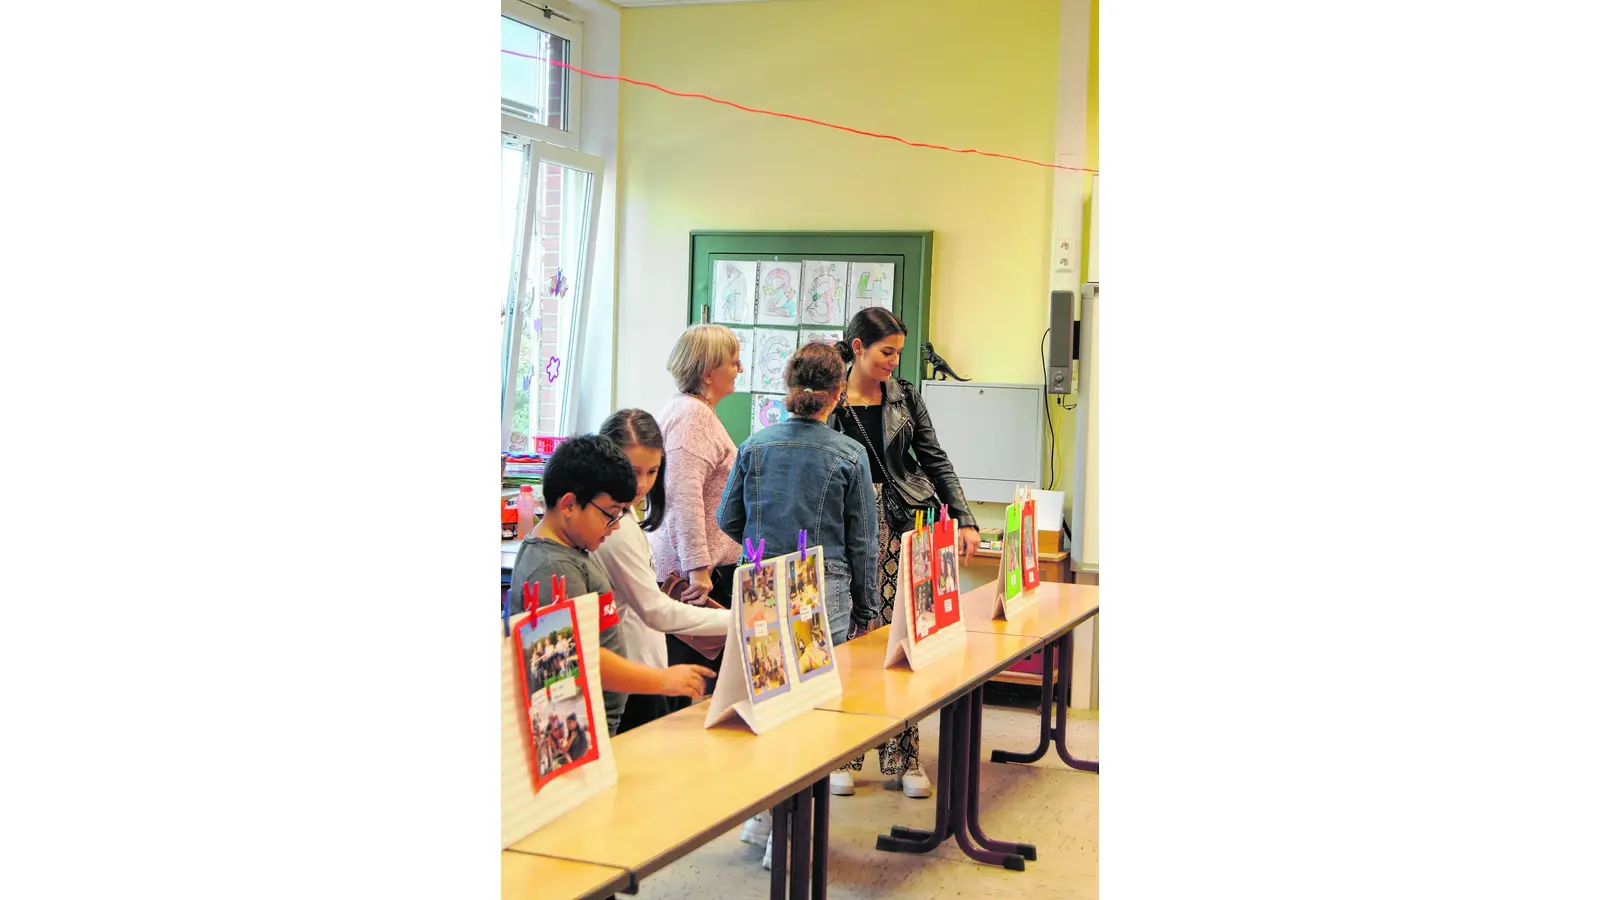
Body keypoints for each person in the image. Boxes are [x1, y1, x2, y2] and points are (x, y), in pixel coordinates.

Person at [717, 341, 879, 870]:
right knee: (810, 712)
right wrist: (867, 608)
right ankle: (787, 837)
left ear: (789, 390)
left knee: (769, 701)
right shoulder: (849, 455)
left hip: (762, 581)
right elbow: (862, 543)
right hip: (823, 590)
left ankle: (760, 818)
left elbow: (728, 520)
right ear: (836, 395)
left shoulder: (754, 446)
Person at [828, 307, 980, 800]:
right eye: (886, 352)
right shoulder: (827, 397)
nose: (895, 361)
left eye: (898, 351)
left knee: (902, 640)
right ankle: (842, 752)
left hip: (900, 525)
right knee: (851, 639)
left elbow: (934, 458)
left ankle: (903, 755)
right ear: (857, 348)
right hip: (844, 529)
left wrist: (964, 517)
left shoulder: (905, 395)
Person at [509, 434, 716, 737]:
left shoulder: (577, 550)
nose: (616, 525)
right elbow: (575, 657)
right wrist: (662, 680)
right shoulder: (553, 568)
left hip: (601, 728)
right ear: (569, 504)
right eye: (610, 513)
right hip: (577, 734)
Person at [593, 409, 733, 734]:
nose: (641, 484)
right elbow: (656, 611)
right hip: (632, 676)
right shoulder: (615, 528)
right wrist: (736, 619)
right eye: (632, 470)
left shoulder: (623, 517)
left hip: (641, 668)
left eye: (652, 471)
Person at [649, 324, 747, 707]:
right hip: (696, 580)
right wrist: (698, 570)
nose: (739, 368)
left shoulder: (687, 411)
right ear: (708, 372)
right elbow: (682, 498)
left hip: (695, 571)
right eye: (733, 362)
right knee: (698, 691)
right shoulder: (693, 417)